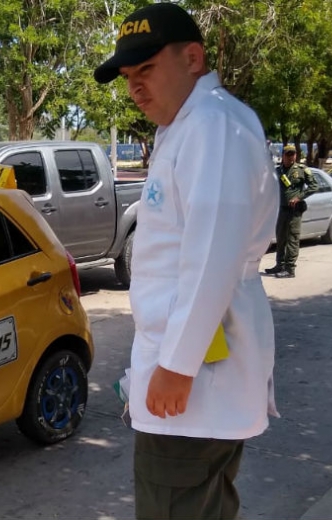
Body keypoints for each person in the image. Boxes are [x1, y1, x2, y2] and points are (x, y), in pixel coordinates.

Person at [93, 4, 279, 519]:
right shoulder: (188, 126)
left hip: (195, 380)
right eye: (129, 76)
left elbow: (211, 256)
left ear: (193, 58)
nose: (135, 87)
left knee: (175, 505)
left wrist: (177, 365)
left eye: (146, 70)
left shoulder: (212, 126)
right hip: (195, 369)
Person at [265, 145, 317, 278]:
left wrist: (299, 197)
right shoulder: (278, 171)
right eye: (288, 154)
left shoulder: (301, 170)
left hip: (294, 211)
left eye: (292, 154)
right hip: (281, 210)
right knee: (281, 238)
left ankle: (289, 269)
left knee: (292, 239)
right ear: (283, 155)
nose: (290, 157)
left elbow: (314, 186)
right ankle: (280, 265)